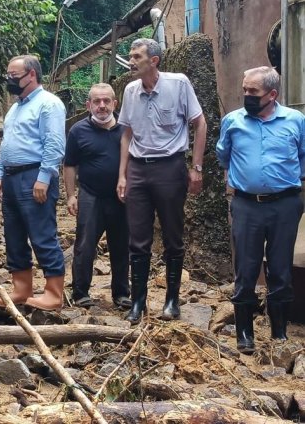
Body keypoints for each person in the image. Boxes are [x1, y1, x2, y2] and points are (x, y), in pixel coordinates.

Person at [117, 38, 207, 324]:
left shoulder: (178, 84)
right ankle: (138, 302)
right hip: (139, 170)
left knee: (172, 236)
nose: (131, 61)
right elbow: (127, 134)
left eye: (136, 56)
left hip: (170, 167)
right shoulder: (130, 90)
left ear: (153, 61)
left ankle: (171, 300)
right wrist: (122, 174)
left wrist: (196, 167)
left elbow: (199, 122)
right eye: (130, 56)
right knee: (138, 239)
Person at [216, 66, 304, 354]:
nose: (247, 96)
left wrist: (282, 182)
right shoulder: (232, 122)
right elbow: (223, 155)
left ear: (272, 94)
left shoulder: (296, 121)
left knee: (280, 268)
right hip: (246, 205)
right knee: (246, 267)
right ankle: (245, 334)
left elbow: (302, 157)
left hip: (285, 205)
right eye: (245, 90)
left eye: (253, 92)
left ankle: (278, 334)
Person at [0, 55, 66, 311]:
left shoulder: (48, 104)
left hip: (34, 176)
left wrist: (44, 178)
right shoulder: (15, 107)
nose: (9, 80)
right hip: (12, 177)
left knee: (42, 234)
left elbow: (54, 145)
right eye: (8, 75)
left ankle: (54, 293)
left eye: (14, 75)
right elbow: (8, 145)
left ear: (31, 75)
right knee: (14, 234)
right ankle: (21, 289)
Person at [64, 83, 131, 309]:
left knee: (121, 245)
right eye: (96, 101)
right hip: (90, 195)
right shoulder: (77, 131)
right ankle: (80, 292)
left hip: (121, 197)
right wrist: (71, 195)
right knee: (84, 244)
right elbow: (70, 165)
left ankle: (121, 294)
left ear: (115, 103)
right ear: (88, 105)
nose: (102, 106)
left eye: (106, 101)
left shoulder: (126, 129)